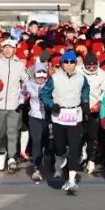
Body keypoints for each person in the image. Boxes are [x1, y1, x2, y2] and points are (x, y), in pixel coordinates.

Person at [40, 51, 90, 194]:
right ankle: (60, 157)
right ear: (62, 64)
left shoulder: (81, 77)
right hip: (59, 116)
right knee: (60, 146)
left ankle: (72, 180)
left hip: (75, 115)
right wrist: (51, 105)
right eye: (66, 62)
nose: (69, 65)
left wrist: (85, 102)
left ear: (75, 63)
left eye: (72, 62)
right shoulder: (54, 78)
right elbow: (44, 94)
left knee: (74, 148)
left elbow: (85, 89)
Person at [0, 38, 29, 172]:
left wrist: (24, 94)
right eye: (6, 47)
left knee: (12, 132)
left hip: (14, 105)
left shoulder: (19, 65)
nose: (8, 50)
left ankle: (12, 158)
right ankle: (2, 152)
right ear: (3, 49)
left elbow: (27, 80)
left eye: (11, 48)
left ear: (15, 50)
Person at [82, 52, 105, 175]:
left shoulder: (103, 74)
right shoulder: (78, 71)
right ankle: (82, 154)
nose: (91, 68)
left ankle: (91, 159)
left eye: (93, 66)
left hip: (95, 107)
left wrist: (100, 103)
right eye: (88, 66)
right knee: (80, 134)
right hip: (80, 107)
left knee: (93, 136)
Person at [23, 62, 50, 183]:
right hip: (34, 116)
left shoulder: (50, 84)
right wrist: (22, 100)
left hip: (48, 116)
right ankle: (36, 168)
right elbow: (21, 94)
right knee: (36, 140)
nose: (41, 78)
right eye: (38, 76)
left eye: (43, 76)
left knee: (47, 141)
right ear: (34, 75)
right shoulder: (28, 84)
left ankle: (48, 159)